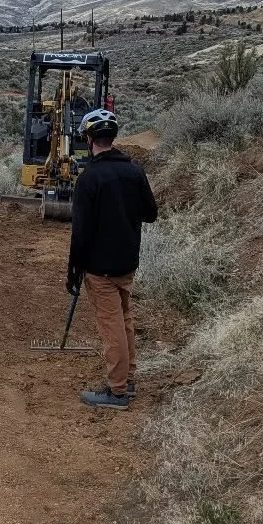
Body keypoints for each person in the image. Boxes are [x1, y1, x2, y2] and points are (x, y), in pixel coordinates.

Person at [66, 108, 158, 410]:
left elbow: (80, 233)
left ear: (88, 138)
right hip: (127, 262)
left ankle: (117, 391)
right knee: (124, 318)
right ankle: (128, 380)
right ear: (112, 137)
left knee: (111, 326)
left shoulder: (90, 178)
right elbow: (150, 214)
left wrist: (73, 270)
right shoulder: (134, 171)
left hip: (100, 267)